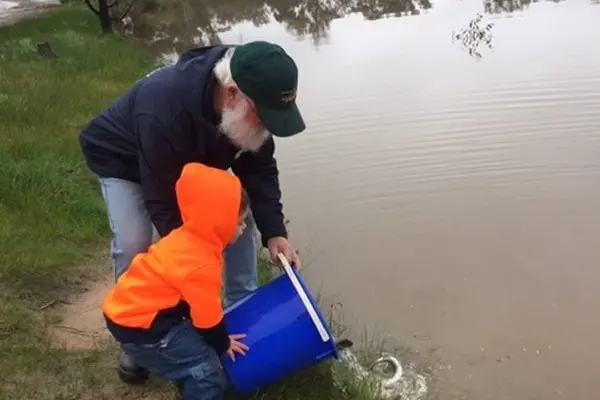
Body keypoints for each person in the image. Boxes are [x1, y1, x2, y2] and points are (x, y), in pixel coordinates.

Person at [78, 40, 303, 383]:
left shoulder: (254, 85)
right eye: (264, 116)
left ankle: (239, 310)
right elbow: (162, 202)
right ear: (231, 95)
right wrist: (196, 268)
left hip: (188, 156)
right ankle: (139, 333)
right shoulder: (164, 108)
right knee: (134, 239)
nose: (267, 126)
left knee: (235, 217)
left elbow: (259, 172)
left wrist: (276, 232)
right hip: (125, 159)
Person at [103, 162, 251, 400]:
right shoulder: (203, 262)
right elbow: (207, 320)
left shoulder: (187, 236)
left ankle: (180, 374)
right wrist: (223, 344)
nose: (244, 228)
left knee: (193, 351)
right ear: (219, 221)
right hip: (143, 327)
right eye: (240, 221)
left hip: (127, 312)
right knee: (207, 369)